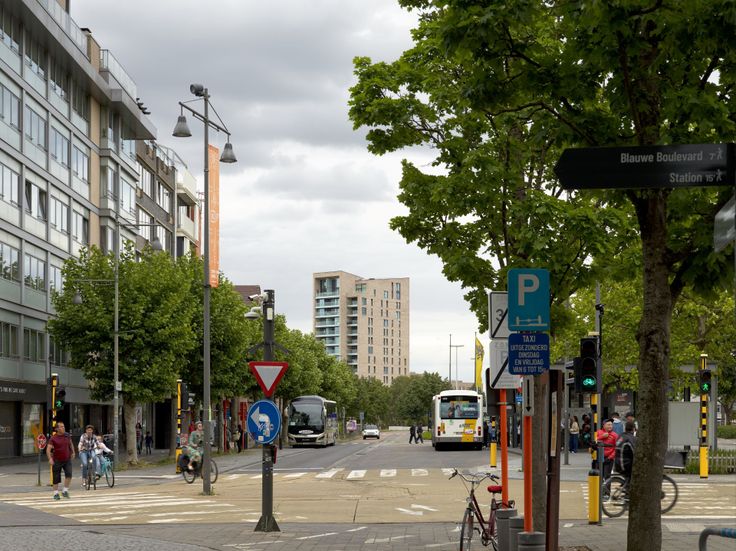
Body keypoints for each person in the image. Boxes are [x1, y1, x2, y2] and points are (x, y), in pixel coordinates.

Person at [47, 421, 75, 500]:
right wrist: (50, 459)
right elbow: (48, 449)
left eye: (63, 426)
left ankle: (65, 491)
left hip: (67, 459)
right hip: (57, 460)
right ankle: (56, 493)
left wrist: (73, 452)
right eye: (61, 427)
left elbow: (70, 444)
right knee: (56, 477)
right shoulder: (53, 438)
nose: (63, 428)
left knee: (69, 474)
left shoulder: (67, 435)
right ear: (57, 429)